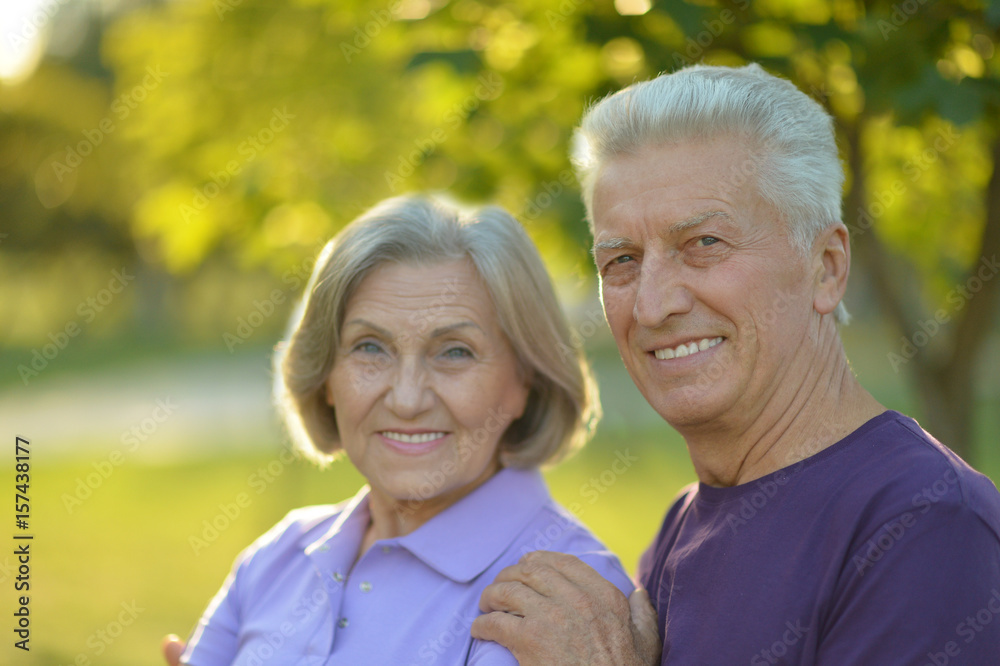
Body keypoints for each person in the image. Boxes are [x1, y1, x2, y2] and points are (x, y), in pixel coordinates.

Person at [471, 63, 1000, 664]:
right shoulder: (689, 518)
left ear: (825, 267)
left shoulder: (923, 523)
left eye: (704, 244)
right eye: (621, 260)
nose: (652, 304)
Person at [164, 195, 633, 665]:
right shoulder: (279, 556)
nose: (407, 399)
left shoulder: (567, 600)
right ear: (326, 376)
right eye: (370, 348)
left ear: (525, 380)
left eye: (454, 352)